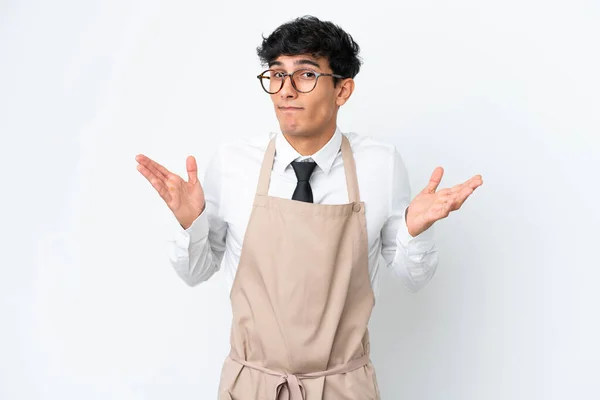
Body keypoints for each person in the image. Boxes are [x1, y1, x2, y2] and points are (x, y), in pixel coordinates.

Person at [135, 15, 483, 400]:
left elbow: (413, 278)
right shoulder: (233, 165)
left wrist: (416, 232)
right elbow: (195, 273)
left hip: (343, 387)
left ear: (342, 90)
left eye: (305, 75)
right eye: (276, 75)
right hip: (252, 386)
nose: (286, 91)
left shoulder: (380, 165)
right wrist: (191, 224)